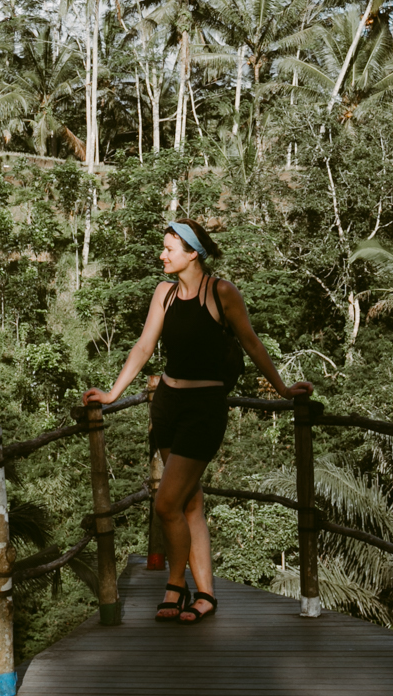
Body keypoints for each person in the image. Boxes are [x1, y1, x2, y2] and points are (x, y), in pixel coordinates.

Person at [82, 219, 312, 624]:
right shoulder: (163, 293)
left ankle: (176, 583)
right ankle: (205, 593)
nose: (162, 255)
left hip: (205, 408)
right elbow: (144, 345)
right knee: (189, 502)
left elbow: (252, 342)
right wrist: (113, 393)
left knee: (166, 501)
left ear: (192, 253)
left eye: (169, 248)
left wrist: (281, 389)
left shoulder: (221, 293)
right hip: (167, 404)